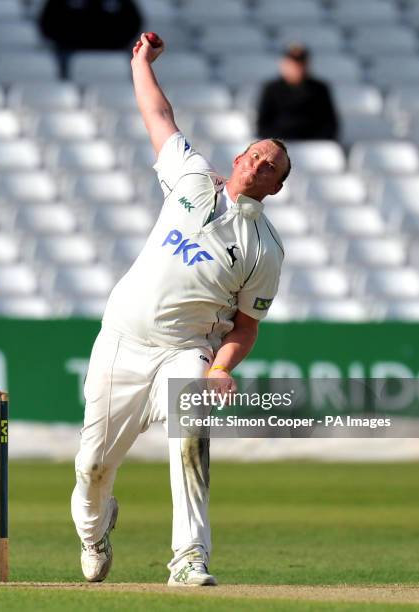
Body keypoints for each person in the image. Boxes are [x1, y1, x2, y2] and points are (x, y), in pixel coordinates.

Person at [70, 32, 290, 587]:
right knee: (92, 469)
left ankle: (190, 558)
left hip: (184, 353)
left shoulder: (264, 249)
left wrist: (220, 368)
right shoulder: (189, 177)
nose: (260, 162)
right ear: (239, 157)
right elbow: (158, 113)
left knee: (191, 431)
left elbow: (245, 326)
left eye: (272, 166)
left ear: (276, 186)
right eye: (257, 153)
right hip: (121, 342)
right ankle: (95, 533)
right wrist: (141, 61)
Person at [39, 0, 142, 78]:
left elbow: (134, 22)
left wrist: (118, 41)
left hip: (112, 50)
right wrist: (67, 40)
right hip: (71, 51)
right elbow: (47, 22)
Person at [257, 44, 339, 141]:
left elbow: (330, 124)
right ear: (283, 64)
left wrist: (314, 141)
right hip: (282, 144)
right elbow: (263, 125)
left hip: (313, 144)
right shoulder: (271, 89)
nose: (297, 67)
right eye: (293, 63)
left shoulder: (320, 89)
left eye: (301, 63)